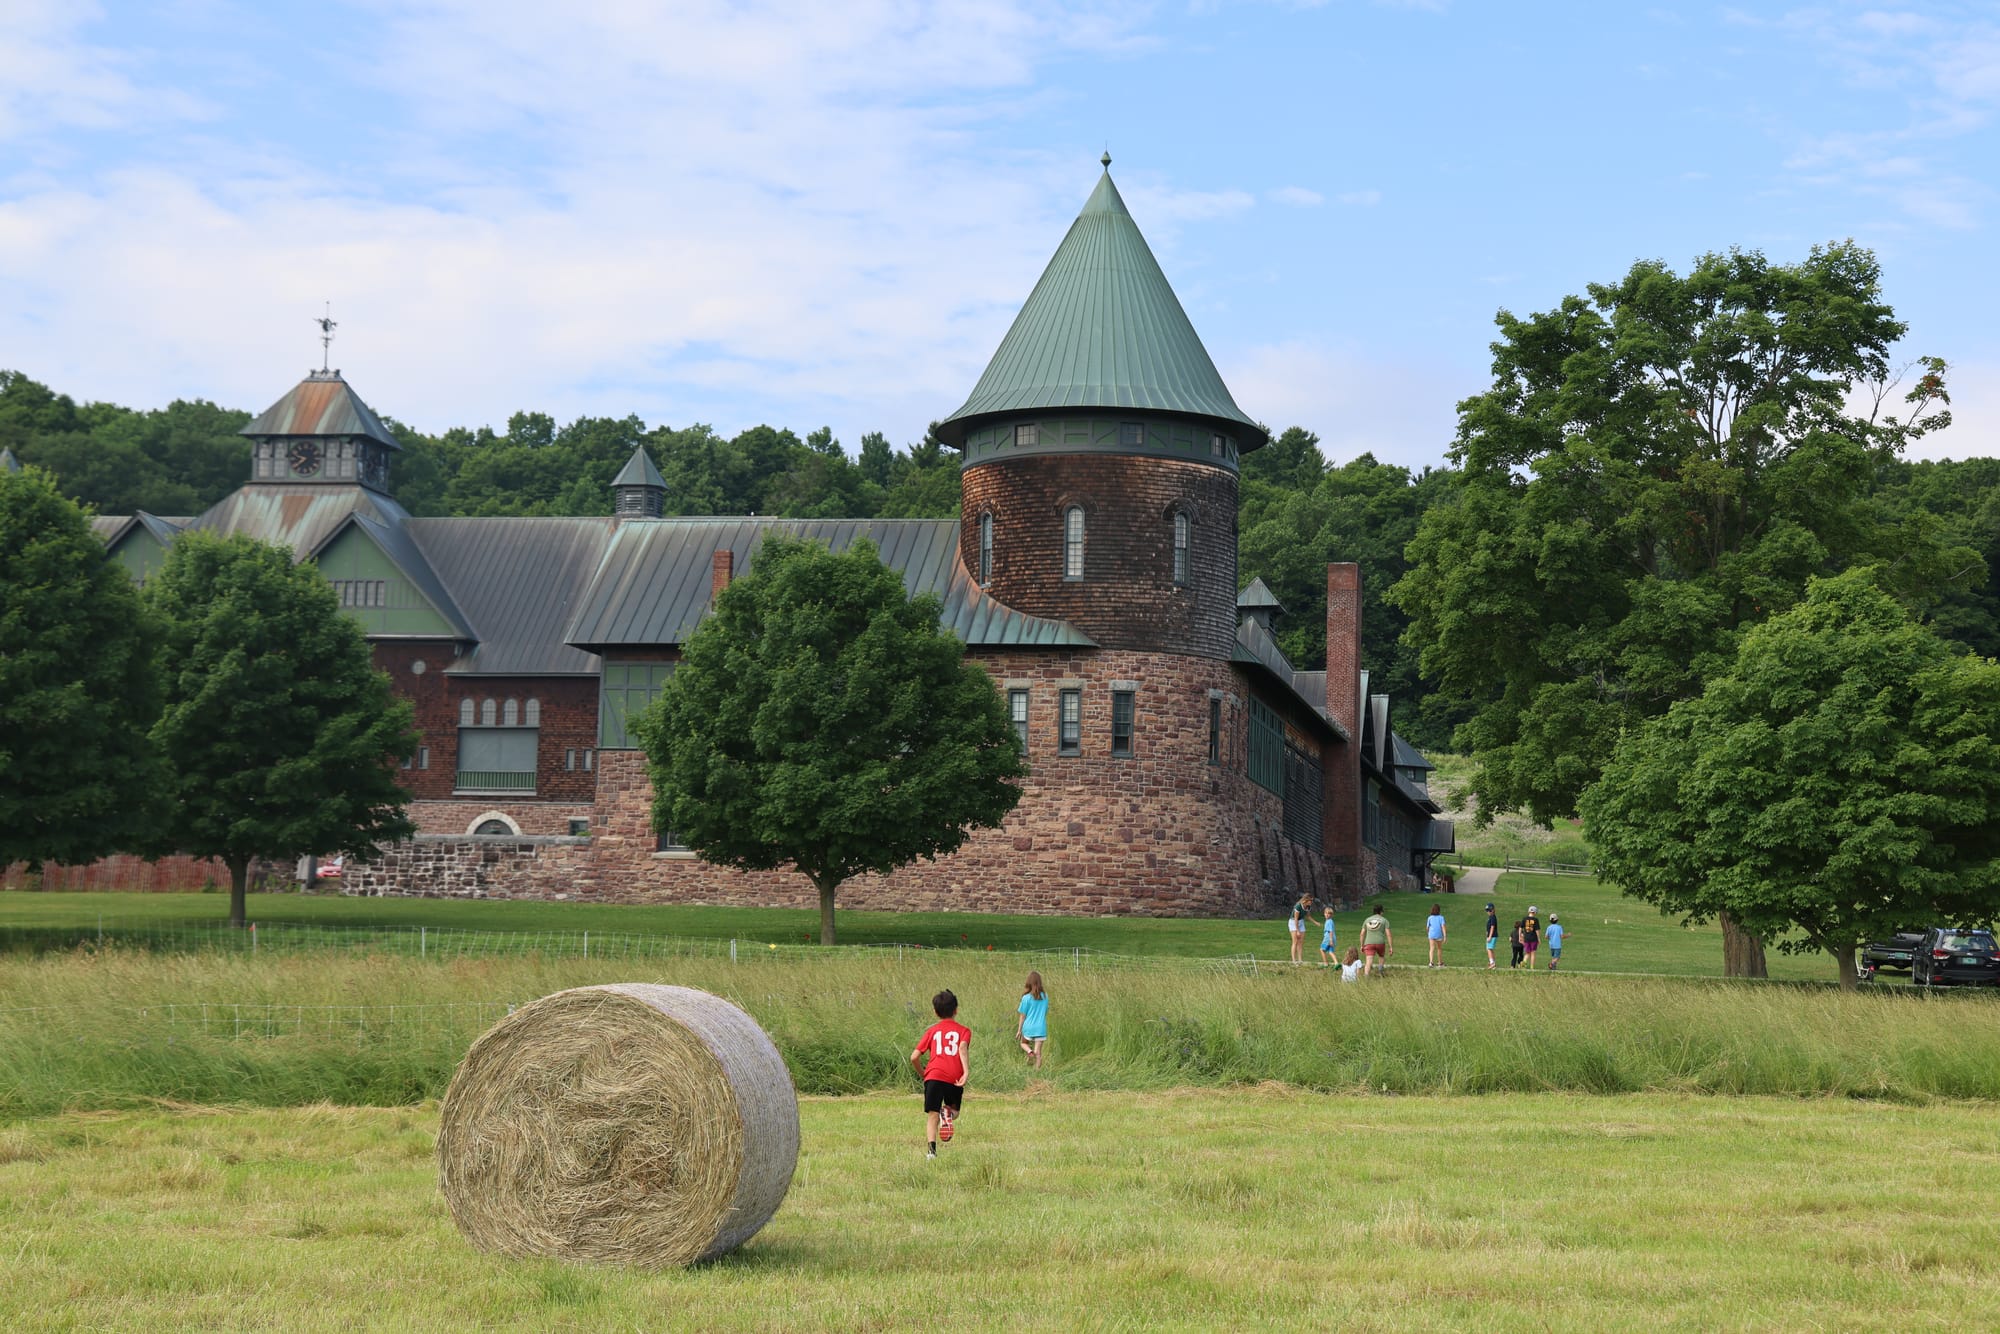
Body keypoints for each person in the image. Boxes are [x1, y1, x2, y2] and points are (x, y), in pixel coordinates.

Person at [910, 989, 970, 1160]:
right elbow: (962, 1048)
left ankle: (931, 1152)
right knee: (954, 1112)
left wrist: (924, 1073)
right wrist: (966, 1071)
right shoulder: (964, 1031)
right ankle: (948, 1114)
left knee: (932, 1115)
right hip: (954, 1077)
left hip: (933, 1076)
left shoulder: (932, 1031)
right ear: (956, 1010)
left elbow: (914, 1057)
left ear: (935, 1012)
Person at [1016, 971, 1049, 1068]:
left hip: (1028, 1027)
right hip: (1041, 1027)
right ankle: (1037, 1072)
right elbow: (1045, 1011)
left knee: (1023, 1043)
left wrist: (1019, 1030)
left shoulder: (1026, 998)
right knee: (1038, 1053)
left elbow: (1022, 1016)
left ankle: (1029, 1051)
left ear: (1029, 982)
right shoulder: (1045, 996)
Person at [1360, 904, 1392, 976]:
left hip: (1368, 943)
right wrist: (1391, 947)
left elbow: (1362, 934)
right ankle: (1380, 971)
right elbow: (1388, 934)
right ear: (1381, 912)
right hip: (1380, 943)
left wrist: (1362, 945)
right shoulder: (1384, 920)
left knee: (1368, 961)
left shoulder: (1367, 920)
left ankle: (1366, 976)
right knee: (1381, 956)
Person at [1289, 894, 1315, 965]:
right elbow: (1296, 919)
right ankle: (1294, 961)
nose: (1311, 902)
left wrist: (1315, 922)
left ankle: (1300, 960)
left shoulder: (1308, 906)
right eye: (1310, 900)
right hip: (1293, 922)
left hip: (1301, 922)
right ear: (1306, 900)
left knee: (1300, 942)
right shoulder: (1298, 906)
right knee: (1295, 941)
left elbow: (1308, 916)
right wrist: (1297, 930)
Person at [1426, 903, 1447, 968]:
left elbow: (1427, 927)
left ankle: (1431, 962)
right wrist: (1445, 936)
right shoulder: (1441, 918)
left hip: (1431, 934)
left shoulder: (1430, 918)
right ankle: (1440, 963)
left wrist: (1428, 933)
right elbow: (1443, 927)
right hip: (1439, 935)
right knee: (1439, 948)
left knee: (1432, 948)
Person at [1483, 903, 1499, 970]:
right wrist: (1487, 933)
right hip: (1491, 935)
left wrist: (1489, 936)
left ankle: (1492, 963)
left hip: (1492, 936)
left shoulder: (1493, 917)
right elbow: (1489, 927)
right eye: (1487, 910)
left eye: (1489, 910)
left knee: (1489, 949)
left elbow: (1492, 927)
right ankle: (1493, 963)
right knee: (1490, 949)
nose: (1488, 912)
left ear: (1493, 910)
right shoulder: (1490, 917)